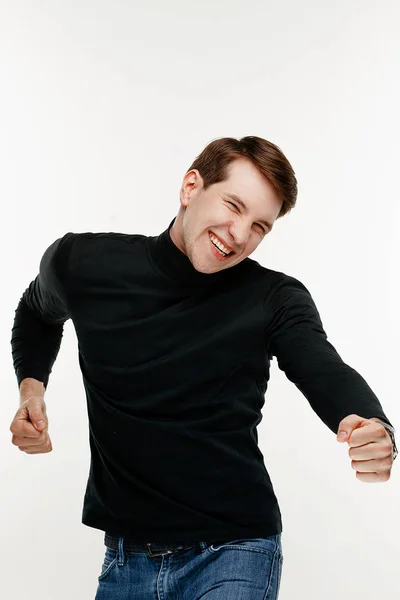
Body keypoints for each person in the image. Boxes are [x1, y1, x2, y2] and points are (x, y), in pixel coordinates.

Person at [9, 136, 397, 599]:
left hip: (234, 551)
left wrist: (373, 424)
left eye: (259, 226)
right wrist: (32, 393)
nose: (238, 234)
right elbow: (36, 311)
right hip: (125, 559)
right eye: (233, 205)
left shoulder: (274, 298)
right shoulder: (83, 264)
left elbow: (323, 367)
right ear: (191, 187)